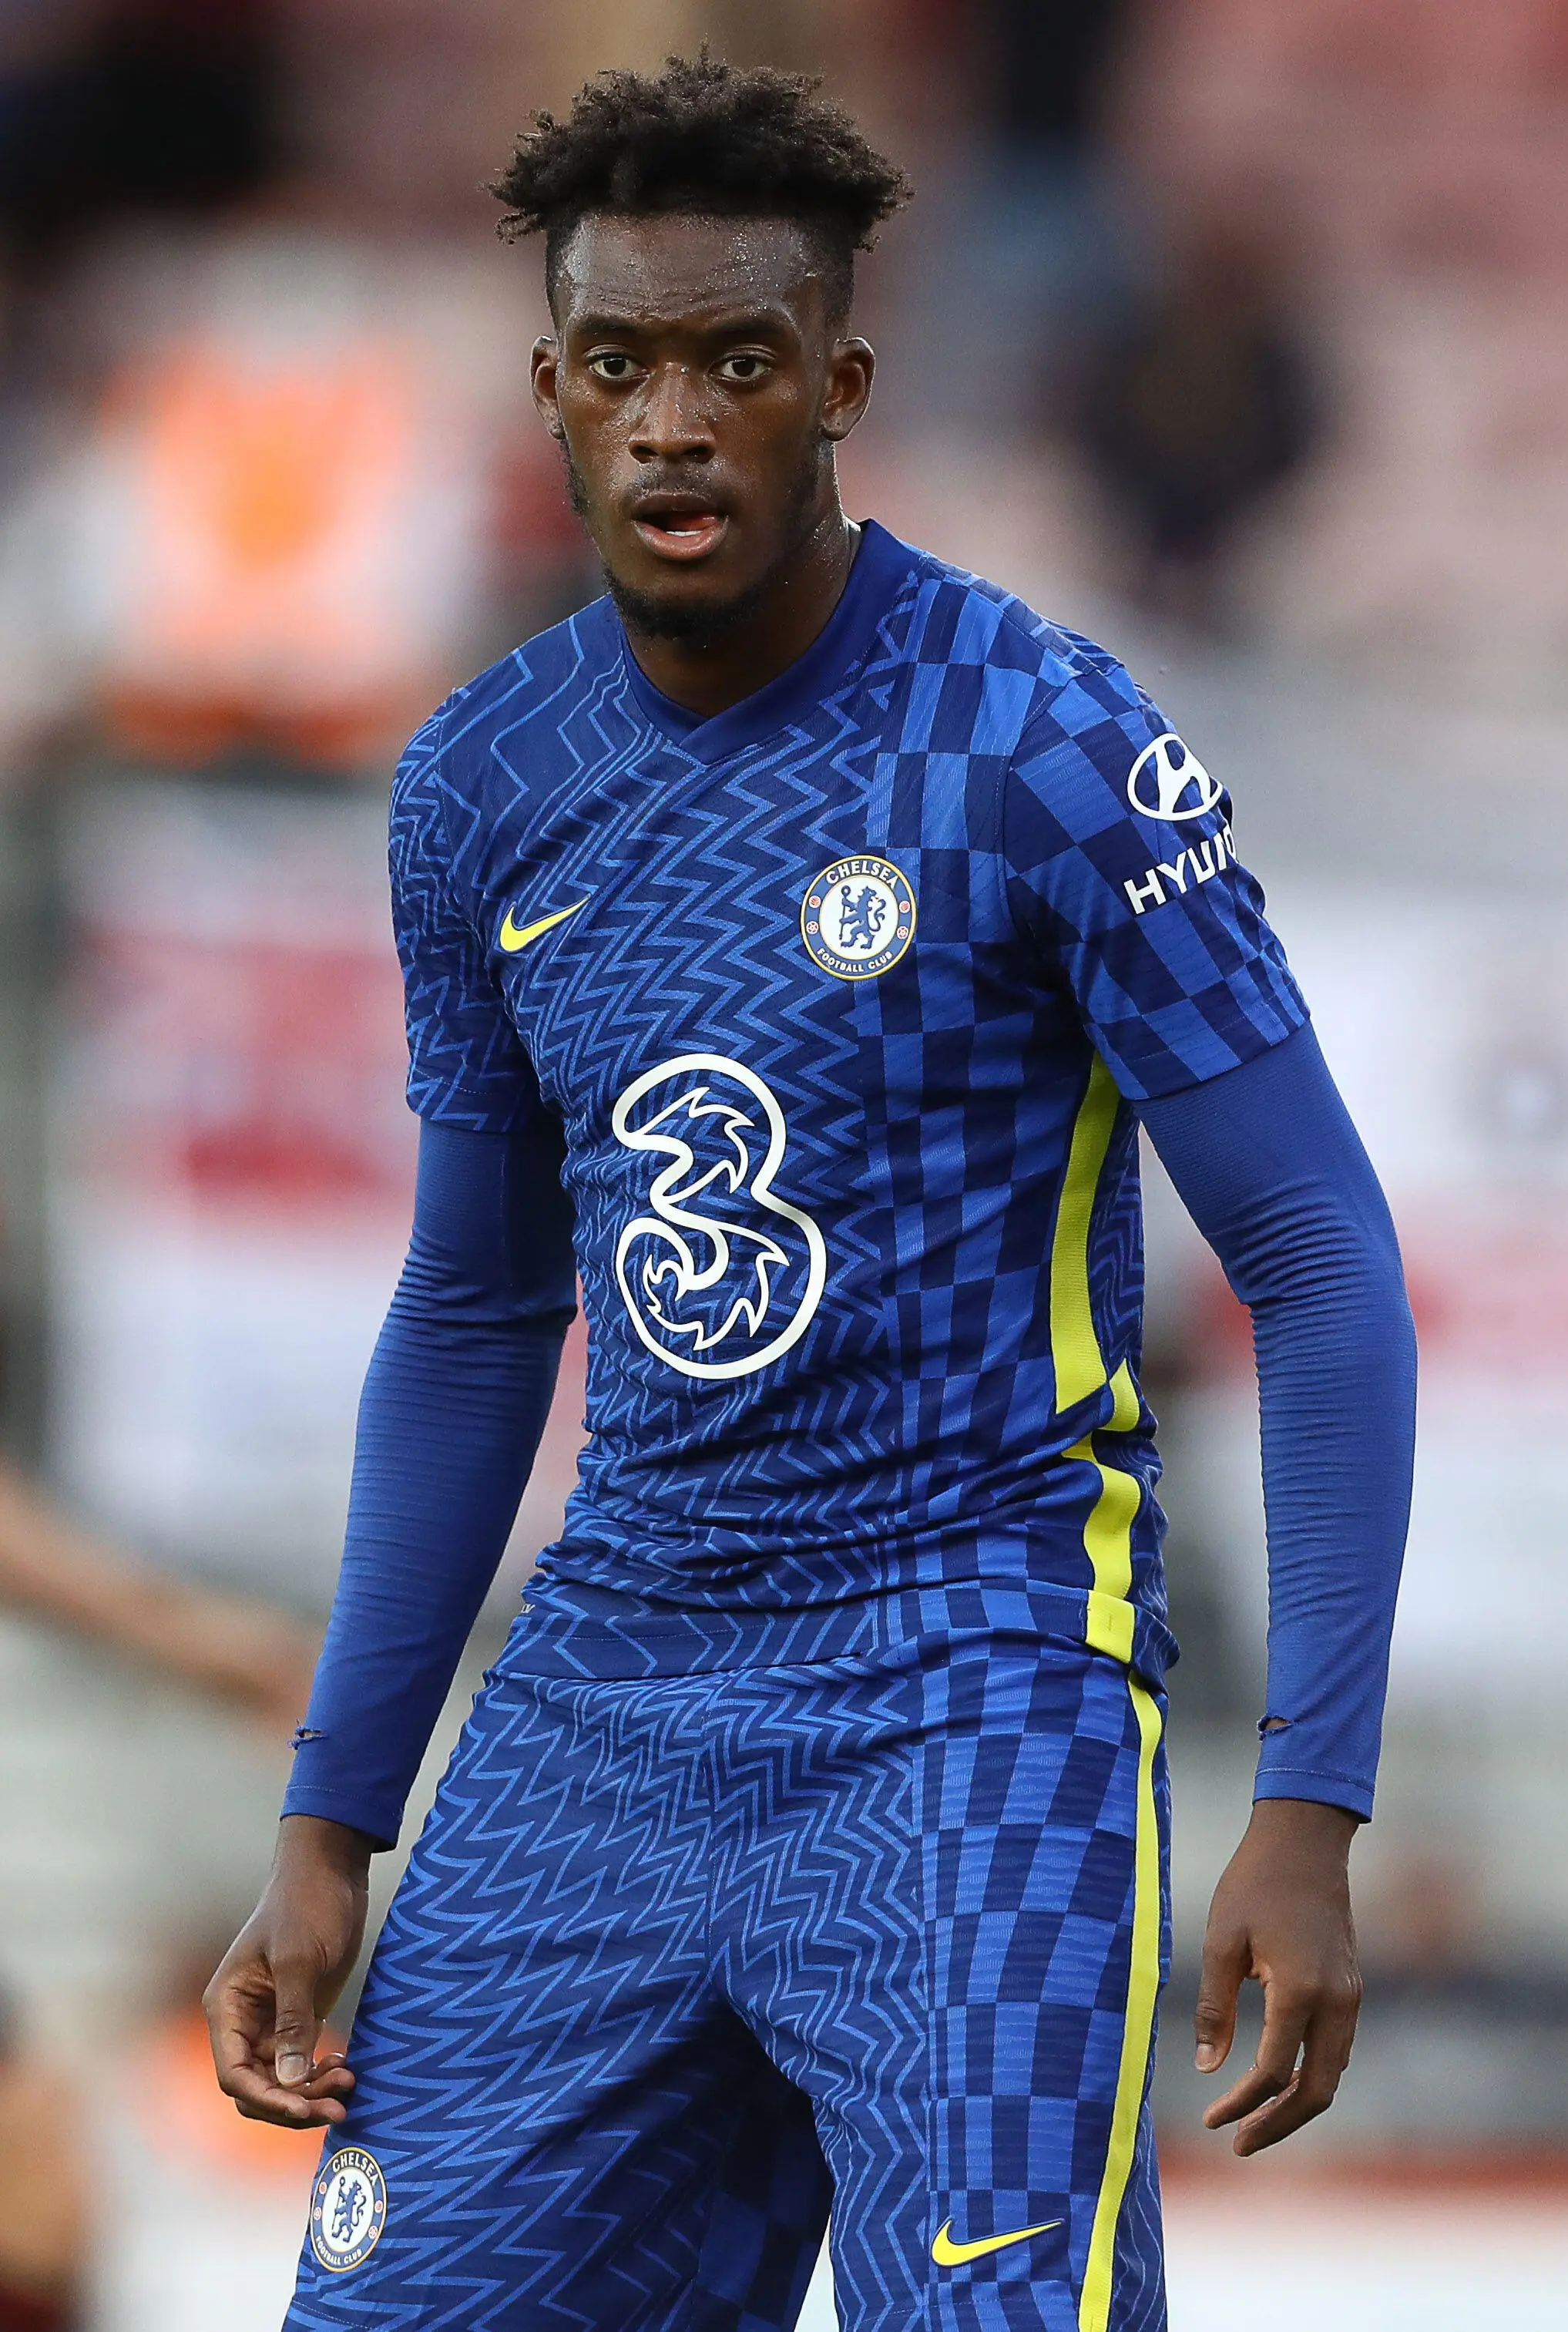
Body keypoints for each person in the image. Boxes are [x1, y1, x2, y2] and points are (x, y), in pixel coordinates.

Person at [203, 55, 1415, 2332]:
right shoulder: (483, 783)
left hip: (971, 1697)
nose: (677, 423)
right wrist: (329, 1821)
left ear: (839, 384)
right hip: (608, 1695)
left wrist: (1314, 1803)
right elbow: (477, 1315)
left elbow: (1322, 1259)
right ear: (546, 392)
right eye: (621, 366)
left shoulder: (1043, 745)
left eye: (738, 364)